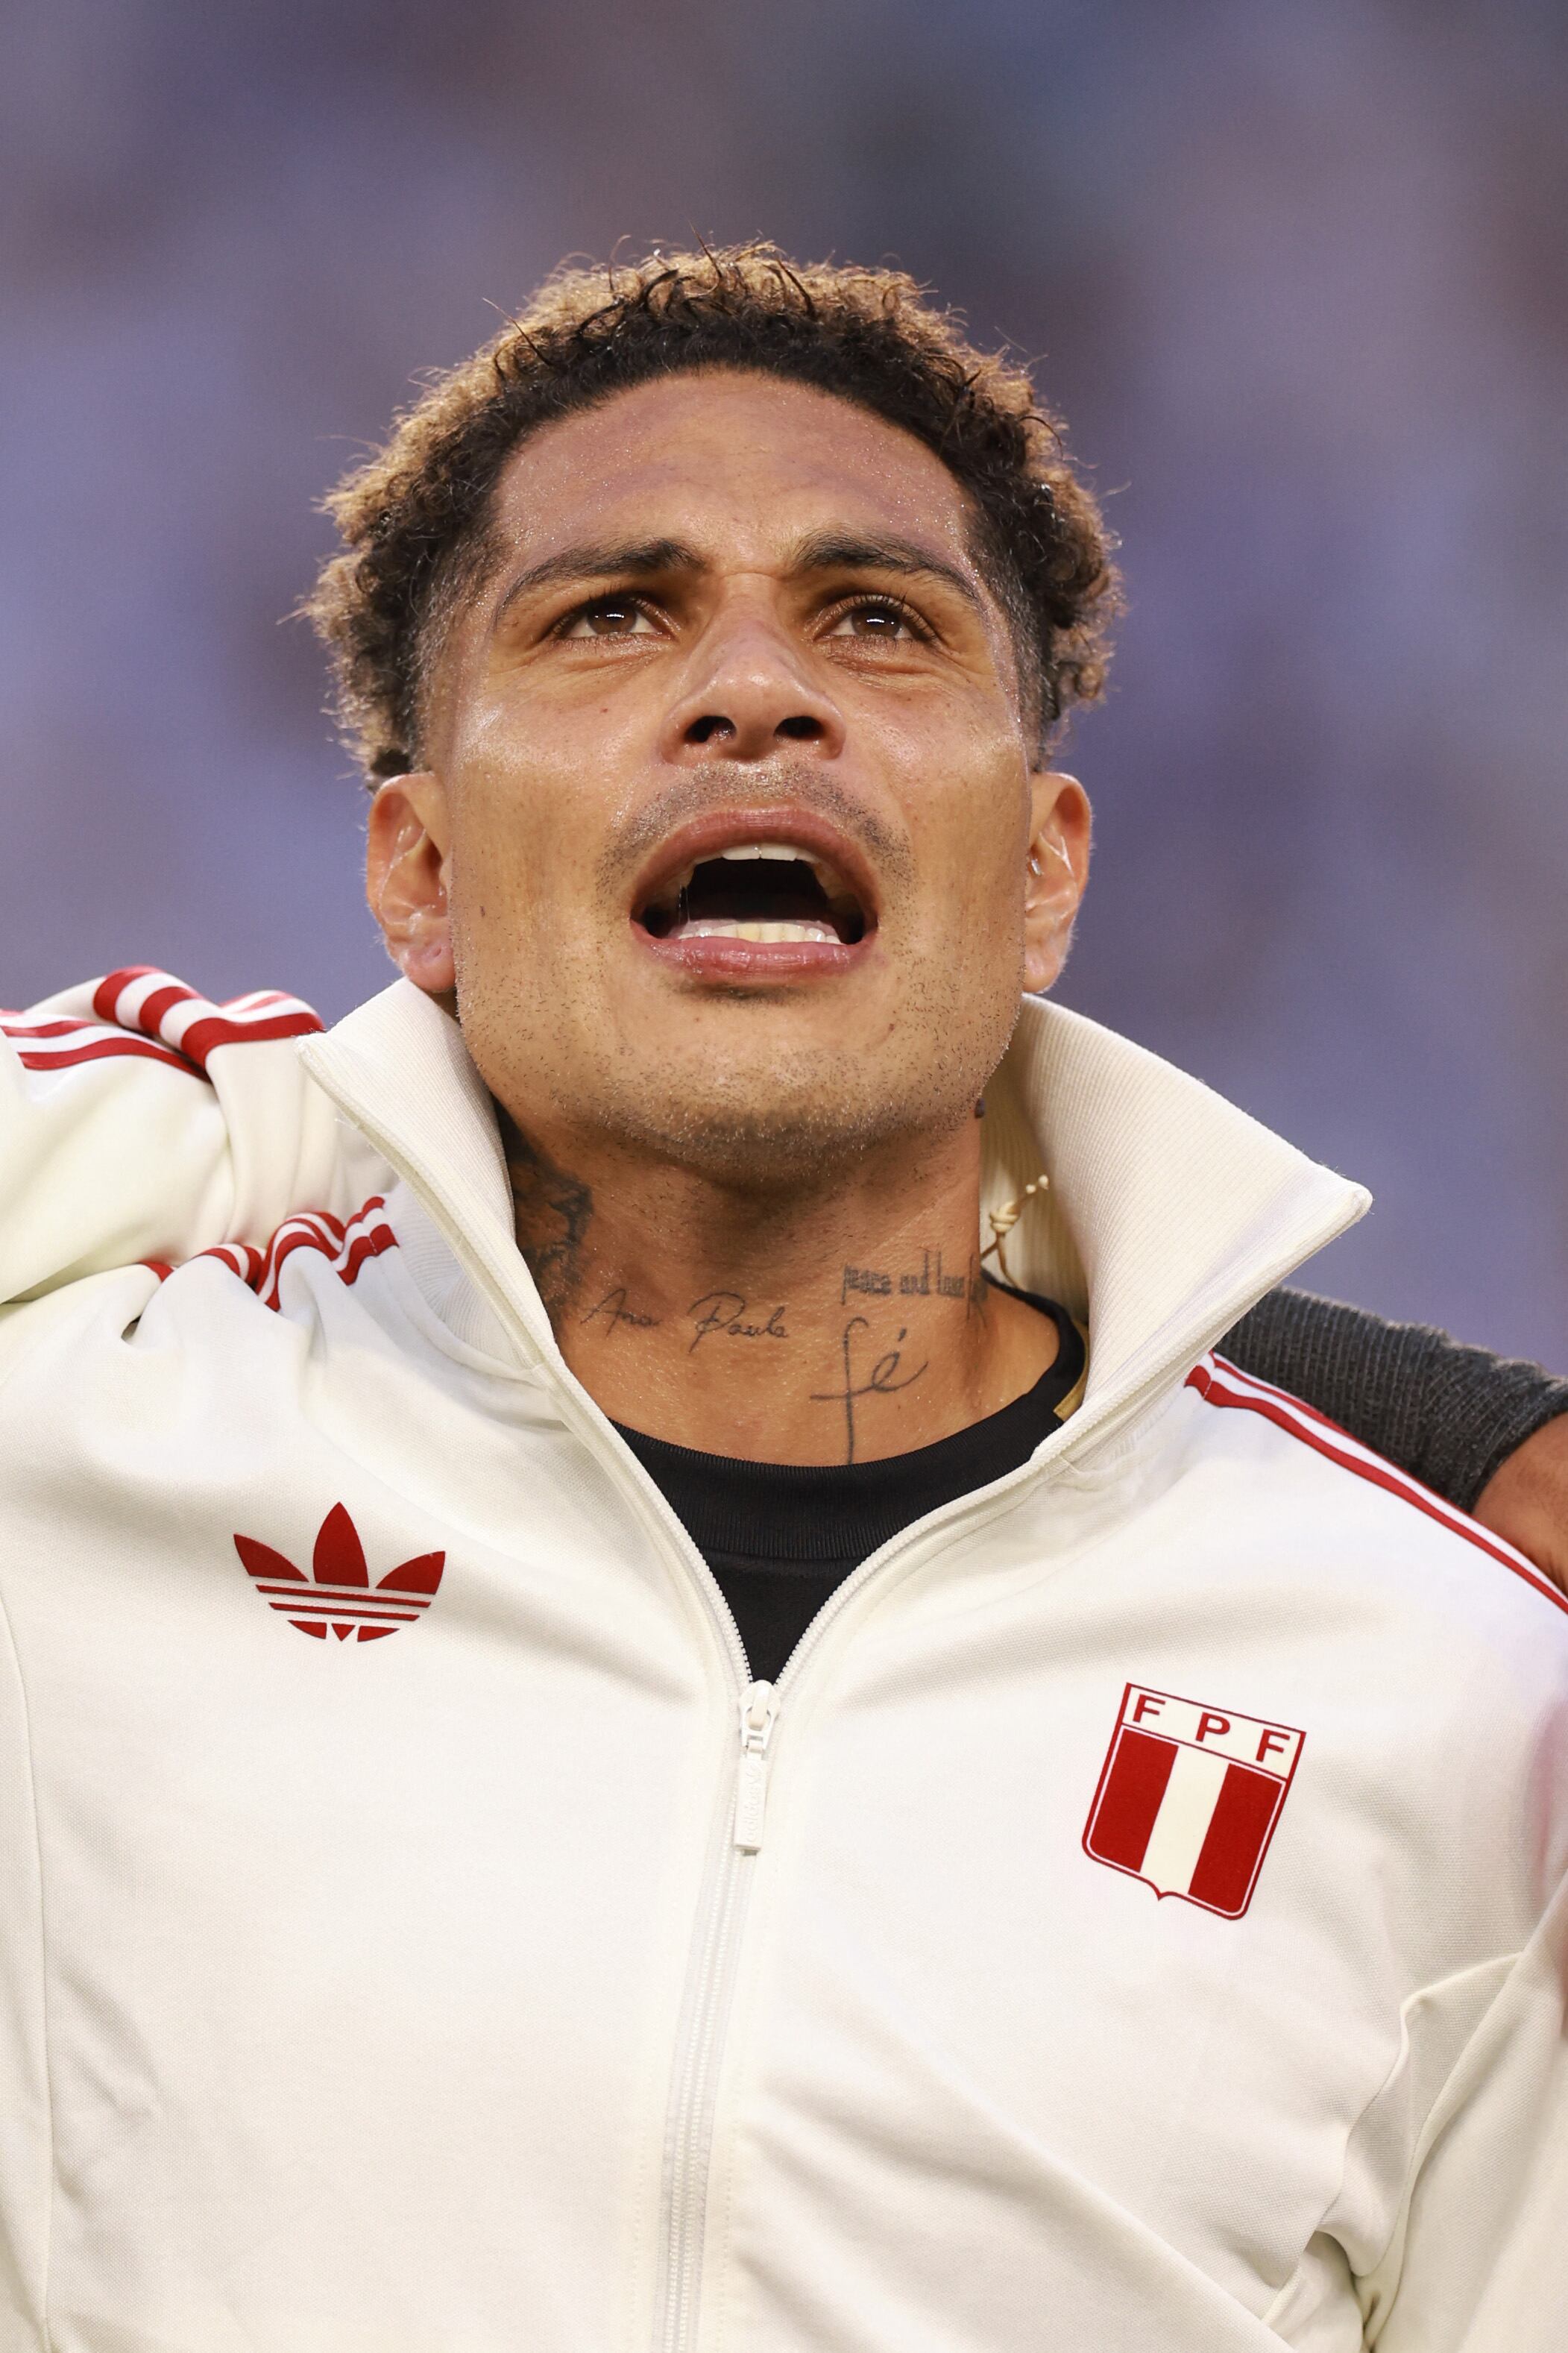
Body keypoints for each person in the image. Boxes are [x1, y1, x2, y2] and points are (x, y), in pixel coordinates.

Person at [1, 245, 1564, 2350]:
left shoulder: (1457, 1692)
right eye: (613, 614)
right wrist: (337, 1111)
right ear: (419, 871)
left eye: (877, 620)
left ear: (1044, 869)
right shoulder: (74, 1457)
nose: (753, 689)